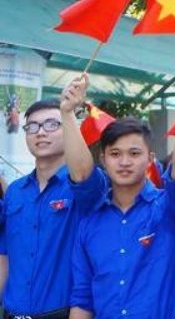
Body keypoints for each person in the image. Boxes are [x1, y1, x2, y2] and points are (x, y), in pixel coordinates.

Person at [69, 89, 175, 318]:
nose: (124, 162)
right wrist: (67, 113)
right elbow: (82, 299)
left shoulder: (169, 210)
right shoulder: (89, 223)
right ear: (103, 160)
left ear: (150, 159)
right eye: (115, 154)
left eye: (134, 153)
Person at [0, 76, 107, 318]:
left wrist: (67, 113)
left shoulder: (82, 185)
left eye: (51, 124)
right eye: (32, 127)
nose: (40, 133)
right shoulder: (15, 192)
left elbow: (82, 174)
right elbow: (5, 255)